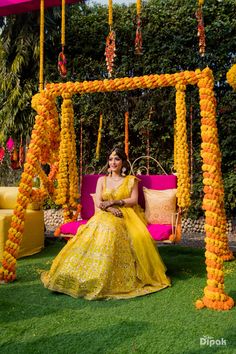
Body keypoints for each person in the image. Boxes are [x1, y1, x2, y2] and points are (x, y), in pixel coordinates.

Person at [41, 147, 171, 299]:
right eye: (110, 159)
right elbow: (98, 201)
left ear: (123, 162)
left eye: (116, 159)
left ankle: (108, 276)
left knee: (112, 228)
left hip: (126, 214)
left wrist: (116, 203)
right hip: (104, 214)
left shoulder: (131, 180)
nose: (113, 162)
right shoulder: (102, 180)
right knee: (96, 229)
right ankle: (79, 274)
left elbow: (133, 200)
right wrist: (110, 209)